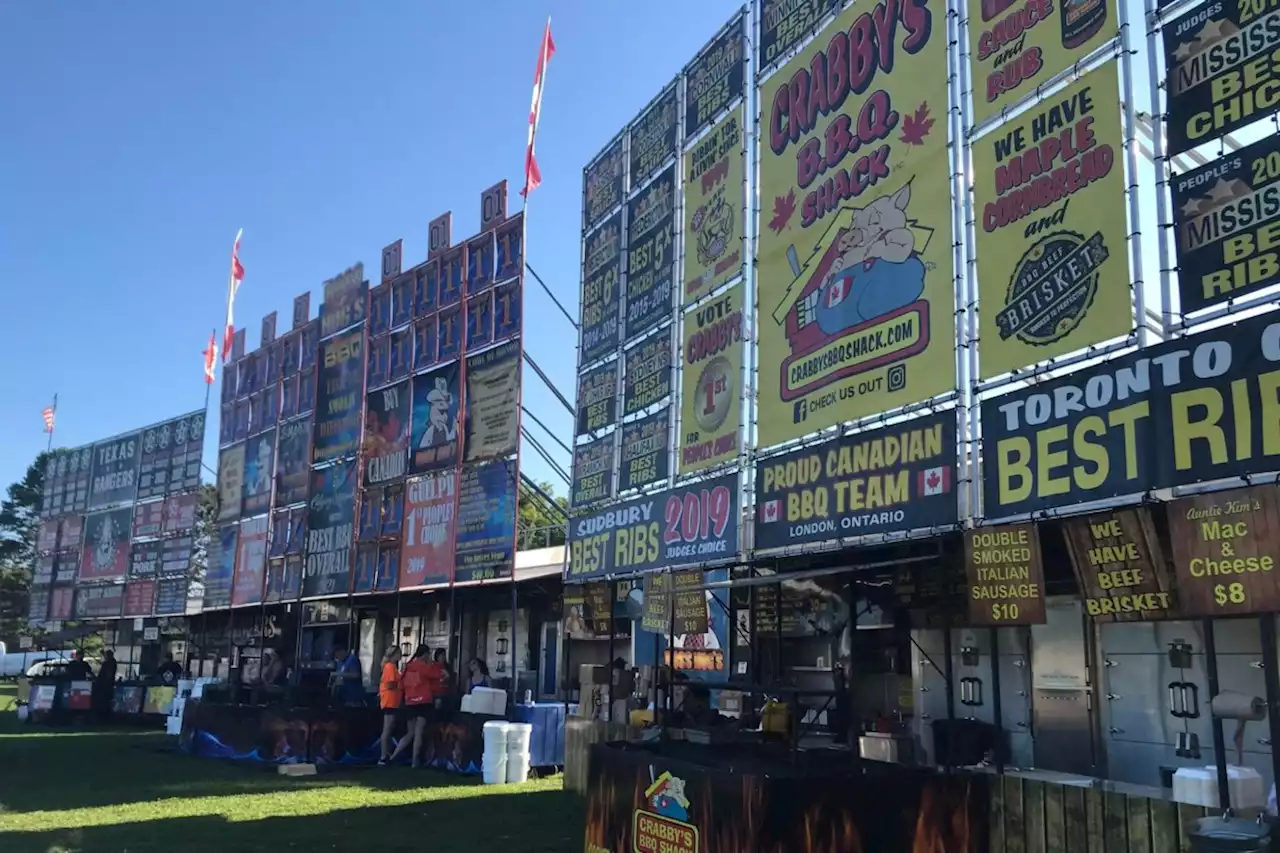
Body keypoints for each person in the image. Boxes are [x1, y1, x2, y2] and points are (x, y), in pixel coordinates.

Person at [391, 645, 436, 768]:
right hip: (423, 702)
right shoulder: (423, 666)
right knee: (418, 733)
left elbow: (400, 684)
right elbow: (435, 675)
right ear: (425, 654)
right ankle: (414, 761)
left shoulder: (408, 667)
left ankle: (393, 756)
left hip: (409, 702)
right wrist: (431, 663)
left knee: (409, 733)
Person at [377, 647, 403, 765]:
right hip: (390, 701)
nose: (401, 656)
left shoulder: (390, 666)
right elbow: (390, 684)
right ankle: (383, 756)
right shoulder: (390, 667)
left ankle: (386, 753)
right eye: (399, 654)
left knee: (388, 728)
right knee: (387, 729)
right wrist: (400, 685)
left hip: (391, 701)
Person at [93, 651, 118, 723]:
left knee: (104, 701)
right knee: (107, 700)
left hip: (105, 685)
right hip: (108, 684)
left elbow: (106, 674)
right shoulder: (112, 662)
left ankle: (103, 717)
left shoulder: (108, 663)